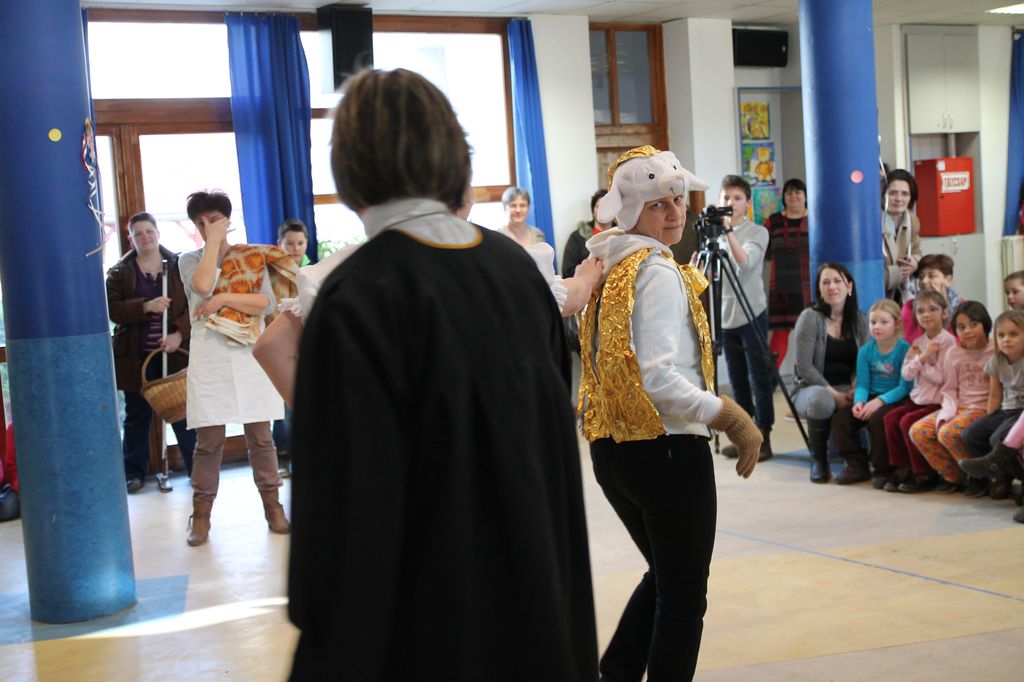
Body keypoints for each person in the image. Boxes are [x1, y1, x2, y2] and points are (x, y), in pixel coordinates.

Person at [286, 68, 597, 681]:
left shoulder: (357, 295)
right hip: (536, 613)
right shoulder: (515, 271)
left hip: (426, 633)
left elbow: (345, 521)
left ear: (348, 164)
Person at [582, 145, 761, 681]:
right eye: (659, 203)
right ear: (631, 210)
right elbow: (659, 378)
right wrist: (728, 415)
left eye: (678, 199)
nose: (675, 212)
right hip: (665, 450)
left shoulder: (609, 263)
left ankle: (616, 674)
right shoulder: (656, 270)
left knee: (664, 577)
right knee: (683, 597)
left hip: (612, 452)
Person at [177, 191, 297, 547]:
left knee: (261, 437)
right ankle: (201, 516)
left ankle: (273, 507)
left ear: (227, 221)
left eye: (214, 220)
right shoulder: (188, 259)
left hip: (248, 352)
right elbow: (201, 286)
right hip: (210, 354)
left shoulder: (251, 256)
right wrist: (213, 244)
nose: (208, 227)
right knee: (209, 441)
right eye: (201, 222)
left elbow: (266, 303)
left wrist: (224, 299)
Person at [106, 212, 195, 492]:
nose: (145, 237)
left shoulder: (179, 265)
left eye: (149, 231)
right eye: (138, 233)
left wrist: (178, 334)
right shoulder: (119, 273)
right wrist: (145, 306)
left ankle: (197, 469)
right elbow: (113, 309)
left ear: (158, 233)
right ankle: (133, 474)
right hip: (137, 357)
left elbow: (193, 306)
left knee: (183, 413)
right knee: (137, 416)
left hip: (174, 353)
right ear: (130, 238)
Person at [790, 263, 868, 483]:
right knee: (821, 400)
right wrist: (835, 394)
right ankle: (819, 460)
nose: (832, 286)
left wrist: (855, 388)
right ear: (819, 289)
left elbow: (865, 362)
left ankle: (861, 461)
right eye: (825, 282)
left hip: (848, 387)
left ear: (849, 286)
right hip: (811, 388)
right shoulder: (810, 318)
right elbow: (804, 367)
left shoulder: (860, 320)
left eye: (837, 281)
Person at [716, 174, 774, 460]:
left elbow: (746, 263)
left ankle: (764, 438)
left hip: (752, 313)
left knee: (758, 379)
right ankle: (745, 437)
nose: (731, 202)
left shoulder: (757, 232)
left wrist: (728, 231)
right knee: (737, 381)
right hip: (725, 317)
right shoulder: (714, 235)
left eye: (737, 198)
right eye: (726, 197)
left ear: (748, 202)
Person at [910, 301, 994, 493]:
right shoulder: (953, 353)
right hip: (959, 407)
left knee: (947, 433)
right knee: (918, 431)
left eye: (974, 324)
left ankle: (979, 476)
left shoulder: (995, 350)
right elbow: (949, 388)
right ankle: (954, 475)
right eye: (961, 327)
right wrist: (948, 412)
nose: (968, 331)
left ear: (985, 324)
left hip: (984, 408)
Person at [831, 298, 913, 486]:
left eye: (884, 322)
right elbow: (862, 385)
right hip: (870, 397)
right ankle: (856, 465)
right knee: (841, 419)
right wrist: (859, 402)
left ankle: (883, 469)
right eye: (873, 322)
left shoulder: (905, 350)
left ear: (896, 324)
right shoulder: (865, 351)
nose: (877, 327)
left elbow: (905, 387)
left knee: (878, 420)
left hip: (895, 398)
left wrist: (880, 401)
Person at [882, 289, 957, 492]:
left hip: (937, 402)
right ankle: (903, 467)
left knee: (907, 422)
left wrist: (920, 360)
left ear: (944, 313)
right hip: (918, 399)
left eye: (932, 309)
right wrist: (921, 358)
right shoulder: (918, 342)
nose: (926, 315)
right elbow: (906, 374)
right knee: (890, 418)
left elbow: (941, 378)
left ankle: (924, 473)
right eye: (921, 311)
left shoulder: (948, 341)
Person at [958, 310, 1024, 499]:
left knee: (998, 439)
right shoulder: (996, 360)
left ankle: (1014, 475)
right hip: (1006, 409)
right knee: (971, 434)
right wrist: (989, 418)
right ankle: (998, 476)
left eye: (1013, 334)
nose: (1006, 340)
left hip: (1021, 413)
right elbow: (995, 394)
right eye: (1001, 335)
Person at [273, 219, 311, 477]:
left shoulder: (314, 270)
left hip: (305, 348)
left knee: (301, 407)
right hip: (279, 348)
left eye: (300, 243)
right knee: (281, 410)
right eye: (290, 243)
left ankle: (303, 458)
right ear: (279, 244)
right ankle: (282, 457)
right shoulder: (272, 273)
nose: (295, 249)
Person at [764, 178, 811, 367]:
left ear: (806, 196)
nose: (793, 196)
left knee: (811, 332)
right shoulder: (773, 222)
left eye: (798, 192)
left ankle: (809, 376)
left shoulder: (815, 219)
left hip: (809, 287)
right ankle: (771, 377)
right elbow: (765, 252)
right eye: (789, 192)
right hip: (780, 288)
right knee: (780, 333)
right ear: (783, 197)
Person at [899, 253, 961, 344]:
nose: (924, 281)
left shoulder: (963, 308)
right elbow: (907, 344)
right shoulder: (909, 308)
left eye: (931, 276)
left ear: (948, 280)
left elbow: (967, 344)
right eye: (921, 277)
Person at [882, 169, 922, 303]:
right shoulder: (871, 222)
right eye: (892, 193)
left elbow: (917, 251)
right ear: (882, 195)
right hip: (876, 298)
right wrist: (894, 275)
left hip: (901, 295)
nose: (899, 199)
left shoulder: (912, 220)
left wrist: (914, 263)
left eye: (905, 194)